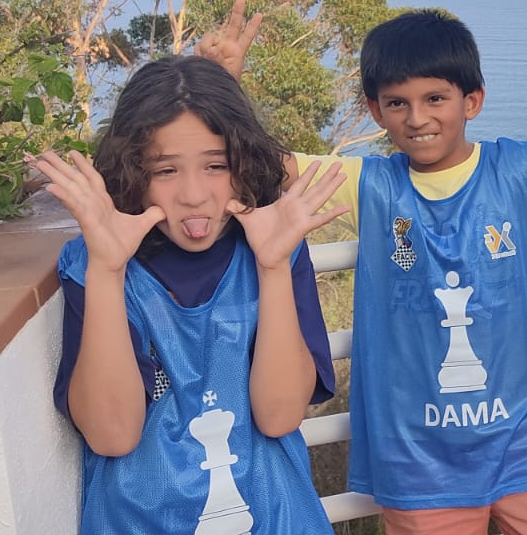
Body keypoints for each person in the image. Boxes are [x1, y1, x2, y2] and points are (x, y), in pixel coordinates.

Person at [203, 1, 527, 534]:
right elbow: (268, 163)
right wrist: (224, 85)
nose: (417, 118)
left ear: (473, 101)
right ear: (375, 110)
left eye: (435, 98)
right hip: (417, 453)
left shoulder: (522, 168)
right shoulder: (370, 184)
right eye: (397, 103)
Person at [34, 55, 347, 533]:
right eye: (166, 171)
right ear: (133, 171)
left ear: (244, 163)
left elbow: (280, 415)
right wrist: (107, 270)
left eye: (216, 165)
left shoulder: (275, 247)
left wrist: (274, 266)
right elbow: (112, 435)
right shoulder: (93, 263)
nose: (194, 194)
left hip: (274, 517)